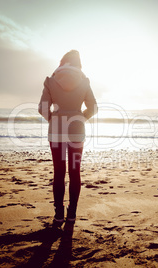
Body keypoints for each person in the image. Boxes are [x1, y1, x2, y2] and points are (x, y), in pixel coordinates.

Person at [38, 50, 97, 233]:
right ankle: (72, 215)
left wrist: (53, 118)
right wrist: (80, 117)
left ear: (62, 62)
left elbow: (42, 108)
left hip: (56, 130)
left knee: (59, 172)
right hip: (77, 130)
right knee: (74, 171)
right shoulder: (84, 81)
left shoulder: (50, 80)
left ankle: (58, 215)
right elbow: (93, 107)